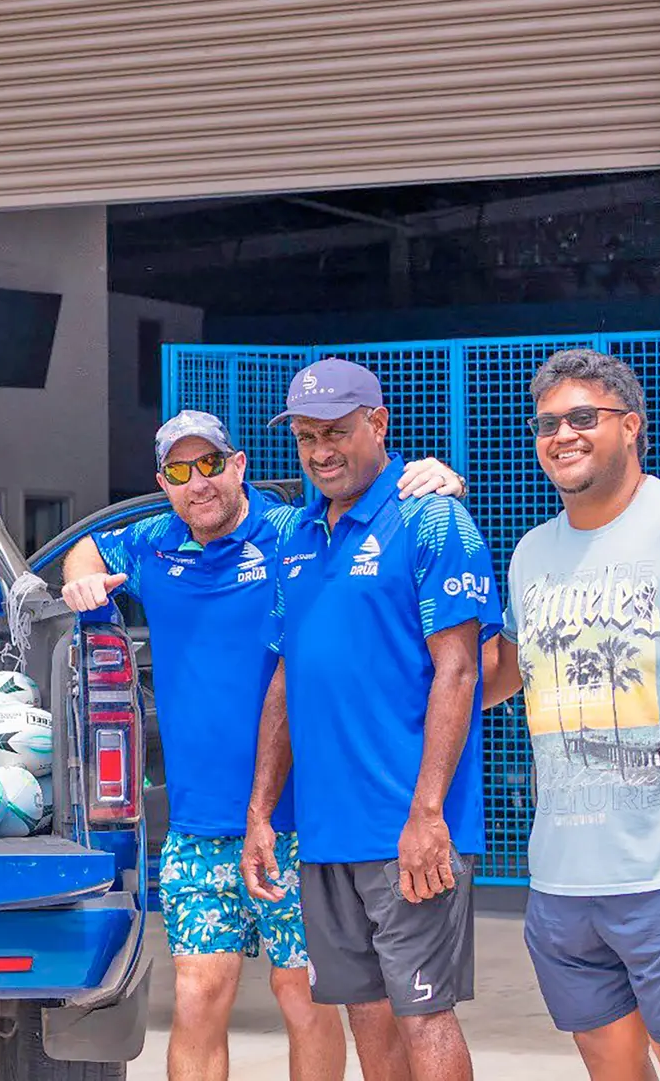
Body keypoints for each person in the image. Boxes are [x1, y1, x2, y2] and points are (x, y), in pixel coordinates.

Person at [61, 410, 464, 1081]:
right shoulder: (153, 544)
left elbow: (368, 519)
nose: (200, 483)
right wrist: (80, 575)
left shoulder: (291, 535)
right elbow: (89, 550)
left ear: (239, 464)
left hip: (300, 822)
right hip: (198, 826)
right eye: (181, 472)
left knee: (303, 996)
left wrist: (438, 480)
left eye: (211, 464)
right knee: (195, 995)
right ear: (164, 482)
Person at [241, 358, 501, 1081]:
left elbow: (460, 667)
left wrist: (427, 815)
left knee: (424, 1013)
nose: (321, 450)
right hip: (328, 834)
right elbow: (287, 678)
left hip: (410, 828)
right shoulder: (296, 534)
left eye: (337, 432)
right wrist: (262, 812)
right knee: (368, 1017)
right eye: (306, 437)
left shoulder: (430, 514)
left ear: (378, 423)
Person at [483, 350, 660, 1080]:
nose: (563, 434)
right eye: (548, 422)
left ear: (632, 426)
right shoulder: (532, 552)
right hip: (562, 879)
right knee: (611, 1068)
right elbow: (499, 677)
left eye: (585, 416)